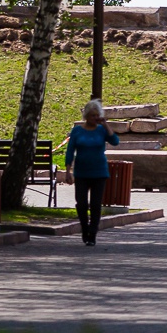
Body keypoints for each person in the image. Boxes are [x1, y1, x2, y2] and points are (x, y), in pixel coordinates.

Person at [66, 100, 119, 246]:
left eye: (97, 115)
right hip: (81, 173)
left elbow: (115, 141)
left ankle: (93, 233)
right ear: (86, 116)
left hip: (99, 172)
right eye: (92, 115)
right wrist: (67, 171)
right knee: (81, 203)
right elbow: (70, 151)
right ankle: (84, 228)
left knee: (96, 204)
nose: (95, 118)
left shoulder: (102, 130)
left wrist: (105, 124)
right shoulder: (77, 131)